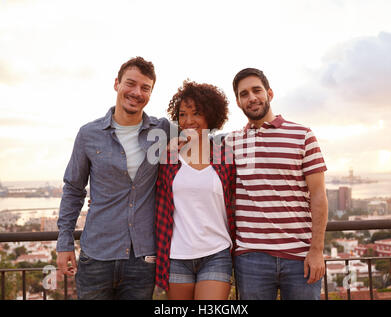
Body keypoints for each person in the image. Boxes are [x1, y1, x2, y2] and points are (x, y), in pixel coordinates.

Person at [56, 56, 171, 300]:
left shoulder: (161, 131)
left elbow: (202, 131)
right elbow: (74, 190)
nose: (137, 92)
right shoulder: (89, 134)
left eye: (145, 88)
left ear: (151, 93)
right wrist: (64, 242)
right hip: (97, 255)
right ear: (117, 83)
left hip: (142, 260)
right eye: (130, 83)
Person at [229, 68, 328, 300]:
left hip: (300, 257)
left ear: (270, 93)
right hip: (250, 259)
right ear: (238, 102)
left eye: (257, 90)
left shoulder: (303, 135)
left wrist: (317, 251)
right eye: (244, 94)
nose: (251, 98)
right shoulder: (230, 142)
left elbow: (318, 196)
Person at [155, 80, 236, 300]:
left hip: (216, 253)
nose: (189, 121)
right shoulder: (168, 159)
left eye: (196, 113)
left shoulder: (226, 157)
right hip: (176, 256)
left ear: (211, 116)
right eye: (182, 114)